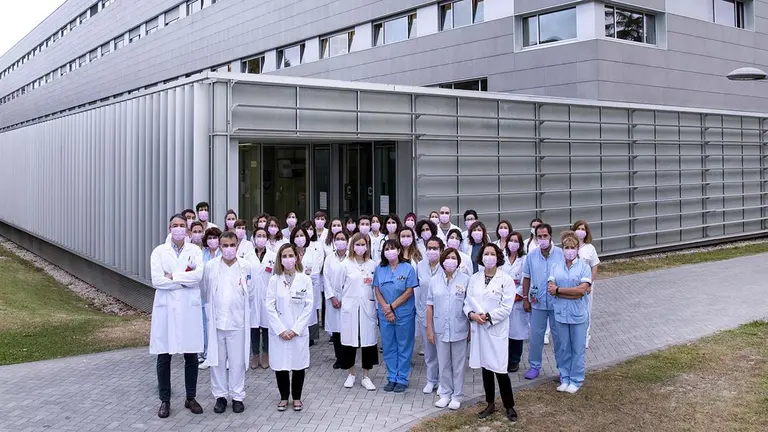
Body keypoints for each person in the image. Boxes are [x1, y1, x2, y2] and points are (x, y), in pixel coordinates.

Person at [149, 214, 205, 418]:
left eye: (182, 225)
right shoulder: (158, 252)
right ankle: (165, 400)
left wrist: (173, 277)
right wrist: (184, 281)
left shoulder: (195, 251)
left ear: (188, 230)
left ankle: (191, 397)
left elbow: (198, 276)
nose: (179, 228)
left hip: (188, 309)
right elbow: (157, 281)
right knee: (164, 356)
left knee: (191, 355)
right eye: (175, 225)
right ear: (169, 228)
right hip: (166, 309)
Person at [201, 231, 256, 414]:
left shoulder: (246, 266)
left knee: (237, 362)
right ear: (219, 246)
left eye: (232, 245)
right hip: (217, 322)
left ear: (238, 245)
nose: (229, 249)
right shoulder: (211, 266)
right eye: (225, 245)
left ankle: (238, 396)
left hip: (238, 321)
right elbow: (206, 290)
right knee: (216, 361)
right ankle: (220, 396)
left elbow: (252, 292)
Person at [464, 244, 517, 423]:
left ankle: (509, 406)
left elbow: (506, 307)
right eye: (486, 254)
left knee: (500, 369)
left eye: (492, 254)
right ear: (481, 257)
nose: (488, 257)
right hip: (479, 330)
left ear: (498, 257)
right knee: (485, 368)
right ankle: (490, 403)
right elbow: (467, 302)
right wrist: (471, 315)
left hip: (495, 329)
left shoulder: (506, 280)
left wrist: (487, 317)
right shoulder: (475, 278)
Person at [266, 244, 314, 412]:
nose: (288, 259)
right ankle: (284, 397)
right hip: (279, 331)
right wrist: (280, 329)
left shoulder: (305, 280)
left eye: (290, 255)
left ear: (296, 257)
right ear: (280, 259)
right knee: (281, 365)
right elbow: (269, 306)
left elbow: (309, 306)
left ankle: (297, 397)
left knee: (298, 364)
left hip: (297, 331)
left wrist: (295, 329)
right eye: (284, 256)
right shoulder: (274, 280)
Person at [548, 231, 592, 393]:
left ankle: (576, 379)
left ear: (577, 248)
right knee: (563, 347)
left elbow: (581, 291)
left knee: (577, 349)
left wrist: (559, 290)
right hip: (561, 314)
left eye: (572, 247)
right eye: (566, 247)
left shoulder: (584, 267)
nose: (569, 250)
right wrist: (565, 292)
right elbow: (550, 289)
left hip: (578, 315)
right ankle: (564, 377)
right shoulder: (556, 267)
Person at [427, 247, 470, 410]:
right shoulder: (434, 280)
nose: (450, 260)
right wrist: (429, 328)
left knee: (458, 364)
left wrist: (470, 330)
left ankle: (457, 395)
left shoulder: (466, 280)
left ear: (458, 261)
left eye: (454, 257)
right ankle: (445, 393)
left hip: (459, 328)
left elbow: (469, 305)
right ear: (442, 260)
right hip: (440, 328)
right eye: (447, 257)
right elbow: (429, 305)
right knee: (443, 363)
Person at [374, 239, 418, 393]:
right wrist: (386, 309)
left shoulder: (408, 269)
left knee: (404, 346)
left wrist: (392, 307)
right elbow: (377, 290)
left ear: (399, 250)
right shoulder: (380, 269)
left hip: (403, 314)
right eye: (387, 249)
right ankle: (392, 377)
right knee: (389, 347)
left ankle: (402, 378)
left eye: (393, 248)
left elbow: (409, 291)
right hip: (385, 314)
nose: (390, 251)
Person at [522, 223, 563, 380]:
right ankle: (534, 366)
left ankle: (562, 368)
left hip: (556, 302)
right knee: (536, 336)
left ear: (551, 236)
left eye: (545, 236)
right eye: (539, 236)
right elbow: (526, 277)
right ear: (535, 237)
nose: (542, 239)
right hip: (537, 302)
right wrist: (525, 298)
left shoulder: (560, 254)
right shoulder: (531, 256)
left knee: (559, 337)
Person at [338, 233, 379, 391]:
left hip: (367, 308)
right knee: (350, 342)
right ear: (352, 245)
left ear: (368, 246)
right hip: (350, 307)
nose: (360, 248)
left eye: (364, 245)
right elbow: (338, 286)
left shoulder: (372, 265)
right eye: (358, 244)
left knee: (367, 342)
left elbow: (375, 287)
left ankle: (366, 376)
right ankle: (351, 374)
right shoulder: (345, 265)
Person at [415, 236, 444, 394]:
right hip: (425, 313)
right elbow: (418, 290)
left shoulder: (446, 267)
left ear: (441, 250)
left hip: (442, 314)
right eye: (429, 248)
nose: (432, 251)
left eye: (435, 248)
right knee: (429, 350)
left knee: (443, 351)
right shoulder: (420, 266)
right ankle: (431, 380)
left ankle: (443, 382)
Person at [500, 231, 528, 373]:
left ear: (520, 244)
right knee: (504, 332)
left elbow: (526, 279)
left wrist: (518, 294)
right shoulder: (501, 258)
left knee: (517, 332)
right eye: (511, 240)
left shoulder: (524, 259)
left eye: (516, 241)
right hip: (503, 299)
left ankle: (514, 360)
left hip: (517, 300)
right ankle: (503, 359)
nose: (513, 243)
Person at [248, 227, 276, 370]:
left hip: (267, 295)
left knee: (266, 327)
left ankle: (266, 354)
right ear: (254, 238)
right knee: (253, 327)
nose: (261, 238)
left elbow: (275, 277)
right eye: (258, 235)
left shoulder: (272, 255)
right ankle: (255, 355)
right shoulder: (247, 256)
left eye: (264, 235)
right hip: (252, 297)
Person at [291, 226, 323, 346]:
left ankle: (310, 337)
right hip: (294, 287)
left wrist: (305, 279)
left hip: (310, 285)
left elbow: (315, 269)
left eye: (302, 235)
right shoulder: (291, 252)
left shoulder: (312, 251)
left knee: (309, 311)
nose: (300, 238)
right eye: (297, 236)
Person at [323, 229, 349, 369]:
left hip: (347, 299)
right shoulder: (329, 258)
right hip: (333, 300)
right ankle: (339, 358)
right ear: (333, 241)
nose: (340, 241)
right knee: (336, 331)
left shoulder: (351, 257)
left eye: (342, 239)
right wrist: (332, 297)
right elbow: (325, 278)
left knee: (346, 329)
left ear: (347, 241)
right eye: (337, 239)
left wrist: (345, 298)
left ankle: (347, 358)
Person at [572, 220, 599, 348]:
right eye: (578, 228)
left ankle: (585, 335)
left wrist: (590, 283)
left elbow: (594, 266)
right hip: (571, 284)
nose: (581, 231)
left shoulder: (590, 248)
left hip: (586, 285)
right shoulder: (570, 246)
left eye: (583, 229)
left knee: (586, 310)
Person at [199, 227, 223, 369]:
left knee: (220, 326)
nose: (212, 240)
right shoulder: (202, 254)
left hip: (220, 295)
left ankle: (221, 356)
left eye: (215, 237)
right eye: (210, 238)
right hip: (205, 295)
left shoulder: (223, 253)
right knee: (206, 327)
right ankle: (208, 355)